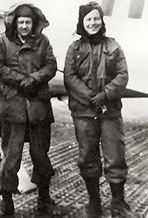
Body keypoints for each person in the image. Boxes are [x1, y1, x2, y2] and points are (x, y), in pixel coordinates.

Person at [63, 2, 135, 218]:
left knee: (115, 157)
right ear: (82, 23)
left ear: (102, 21)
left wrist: (104, 95)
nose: (93, 23)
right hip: (84, 113)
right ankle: (94, 203)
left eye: (96, 19)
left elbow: (122, 75)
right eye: (88, 19)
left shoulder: (114, 46)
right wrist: (90, 97)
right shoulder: (74, 49)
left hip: (110, 112)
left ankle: (118, 203)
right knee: (87, 158)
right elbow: (70, 77)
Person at [0, 3, 57, 216]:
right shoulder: (1, 41)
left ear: (33, 23)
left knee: (41, 155)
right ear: (14, 23)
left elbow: (51, 65)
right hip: (12, 107)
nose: (25, 26)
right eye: (21, 22)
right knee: (10, 156)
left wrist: (34, 79)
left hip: (38, 108)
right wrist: (21, 80)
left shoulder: (43, 41)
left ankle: (44, 198)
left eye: (28, 22)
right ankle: (6, 200)